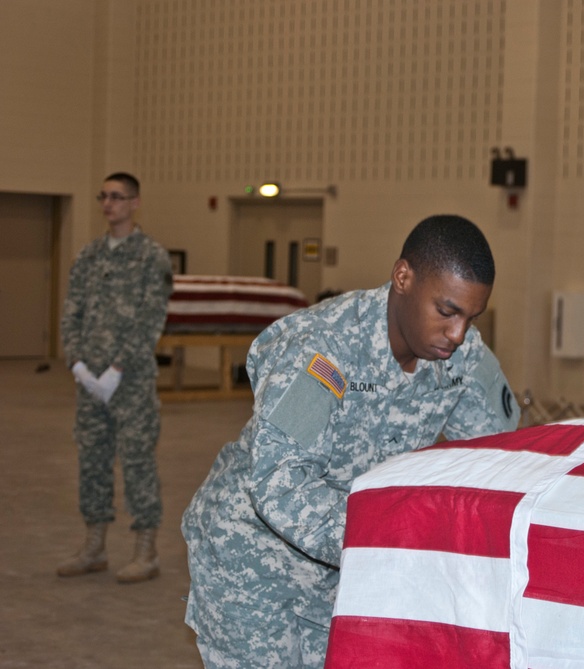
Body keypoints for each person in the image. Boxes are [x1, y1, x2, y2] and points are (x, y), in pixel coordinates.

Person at [182, 214, 521, 668]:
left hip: (345, 568)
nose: (458, 333)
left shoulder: (462, 355)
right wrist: (392, 536)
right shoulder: (323, 350)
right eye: (446, 311)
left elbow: (500, 456)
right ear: (403, 277)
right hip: (253, 562)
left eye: (471, 316)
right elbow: (280, 483)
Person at [58, 172, 174, 582]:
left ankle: (147, 550)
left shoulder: (151, 257)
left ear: (135, 202)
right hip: (89, 381)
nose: (109, 204)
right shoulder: (88, 256)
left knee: (138, 460)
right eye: (103, 196)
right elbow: (71, 311)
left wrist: (117, 368)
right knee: (92, 460)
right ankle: (94, 545)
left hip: (132, 382)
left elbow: (150, 320)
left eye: (117, 197)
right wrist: (77, 363)